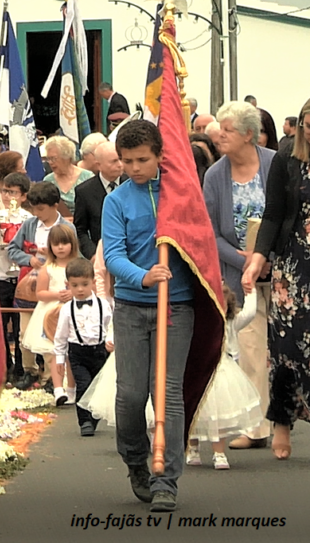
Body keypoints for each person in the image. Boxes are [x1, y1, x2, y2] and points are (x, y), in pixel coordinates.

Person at [102, 119, 196, 512]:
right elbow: (112, 256)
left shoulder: (181, 194)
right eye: (127, 161)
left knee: (167, 393)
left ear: (160, 155)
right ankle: (136, 461)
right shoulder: (117, 201)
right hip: (131, 307)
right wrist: (143, 276)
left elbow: (200, 244)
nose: (134, 168)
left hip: (176, 306)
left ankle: (166, 479)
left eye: (142, 160)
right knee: (130, 396)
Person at [204, 100, 275, 450]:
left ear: (249, 134)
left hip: (281, 273)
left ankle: (286, 419)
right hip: (238, 276)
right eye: (218, 127)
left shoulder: (276, 165)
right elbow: (210, 233)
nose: (219, 135)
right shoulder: (215, 175)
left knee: (288, 350)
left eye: (227, 129)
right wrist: (242, 258)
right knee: (249, 349)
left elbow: (288, 217)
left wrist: (266, 255)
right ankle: (257, 427)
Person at [243, 97, 310, 461]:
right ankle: (281, 425)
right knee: (286, 349)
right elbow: (272, 215)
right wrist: (257, 260)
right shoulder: (286, 159)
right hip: (293, 265)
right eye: (308, 126)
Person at [185, 284, 262, 470]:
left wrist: (250, 291)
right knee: (195, 412)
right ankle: (192, 449)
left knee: (218, 416)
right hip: (199, 370)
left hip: (223, 371)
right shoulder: (197, 322)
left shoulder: (232, 322)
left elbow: (250, 313)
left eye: (224, 304)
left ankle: (219, 453)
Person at [7, 181, 74, 389]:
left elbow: (75, 257)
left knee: (51, 332)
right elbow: (12, 248)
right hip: (31, 285)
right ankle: (29, 370)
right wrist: (29, 260)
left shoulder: (66, 228)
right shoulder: (29, 225)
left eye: (41, 209)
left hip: (56, 285)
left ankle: (51, 376)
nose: (37, 213)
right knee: (24, 331)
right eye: (34, 209)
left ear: (55, 206)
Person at [21, 225, 79, 405]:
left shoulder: (77, 266)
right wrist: (57, 295)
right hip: (50, 315)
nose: (60, 247)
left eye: (64, 243)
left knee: (71, 353)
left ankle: (71, 389)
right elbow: (40, 293)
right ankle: (58, 388)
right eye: (56, 244)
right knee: (56, 353)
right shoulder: (48, 268)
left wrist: (73, 294)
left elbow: (87, 286)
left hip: (73, 312)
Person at [54, 257, 113, 436]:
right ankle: (84, 421)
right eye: (75, 285)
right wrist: (59, 358)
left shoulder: (104, 305)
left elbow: (111, 325)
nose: (80, 289)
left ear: (93, 283)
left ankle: (93, 417)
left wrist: (110, 340)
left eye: (84, 284)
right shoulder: (66, 309)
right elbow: (61, 335)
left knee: (97, 387)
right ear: (68, 285)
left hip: (99, 351)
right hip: (77, 352)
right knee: (83, 384)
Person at [0, 172, 32, 384]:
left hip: (22, 278)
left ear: (23, 196)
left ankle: (22, 367)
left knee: (22, 325)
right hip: (0, 276)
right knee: (0, 325)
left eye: (13, 192)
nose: (7, 196)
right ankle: (4, 365)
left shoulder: (28, 219)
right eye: (4, 191)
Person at [74, 141, 124, 259]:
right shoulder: (85, 192)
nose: (120, 164)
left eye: (120, 159)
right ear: (99, 165)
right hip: (102, 255)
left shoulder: (131, 184)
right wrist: (92, 254)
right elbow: (80, 230)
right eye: (114, 161)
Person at [42, 136, 94, 216]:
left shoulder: (87, 177)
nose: (50, 162)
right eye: (48, 159)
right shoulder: (48, 181)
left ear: (66, 157)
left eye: (53, 158)